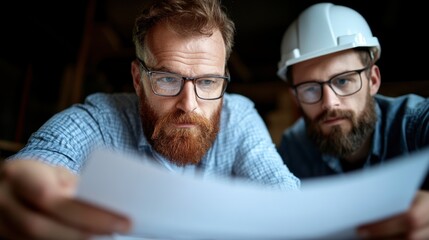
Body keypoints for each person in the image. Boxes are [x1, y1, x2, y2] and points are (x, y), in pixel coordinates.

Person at [0, 0, 300, 238]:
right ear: (136, 78)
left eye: (208, 82)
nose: (189, 105)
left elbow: (281, 194)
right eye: (168, 79)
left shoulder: (239, 117)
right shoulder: (99, 122)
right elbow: (47, 160)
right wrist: (21, 196)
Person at [277, 2, 429, 239]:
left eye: (343, 81)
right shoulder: (293, 150)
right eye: (310, 89)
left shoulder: (417, 123)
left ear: (373, 80)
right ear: (295, 97)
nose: (329, 103)